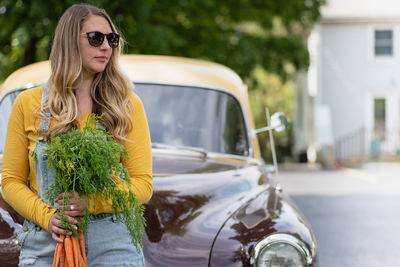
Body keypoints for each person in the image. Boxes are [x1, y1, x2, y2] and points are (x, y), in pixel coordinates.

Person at [1, 3, 153, 267]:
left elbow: (143, 184)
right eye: (96, 38)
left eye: (112, 39)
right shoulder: (29, 104)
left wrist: (90, 202)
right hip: (47, 244)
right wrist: (48, 216)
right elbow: (11, 181)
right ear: (69, 42)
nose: (106, 46)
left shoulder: (127, 106)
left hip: (113, 247)